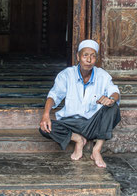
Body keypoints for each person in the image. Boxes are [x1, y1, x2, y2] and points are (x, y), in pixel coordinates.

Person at [39, 39, 121, 168]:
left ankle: (96, 150)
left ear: (96, 59)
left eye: (93, 56)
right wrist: (45, 114)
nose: (89, 60)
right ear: (78, 57)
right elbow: (53, 95)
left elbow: (114, 91)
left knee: (113, 106)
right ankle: (78, 139)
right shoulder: (66, 75)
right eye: (85, 55)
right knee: (45, 128)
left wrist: (111, 98)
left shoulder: (102, 75)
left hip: (93, 124)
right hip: (71, 123)